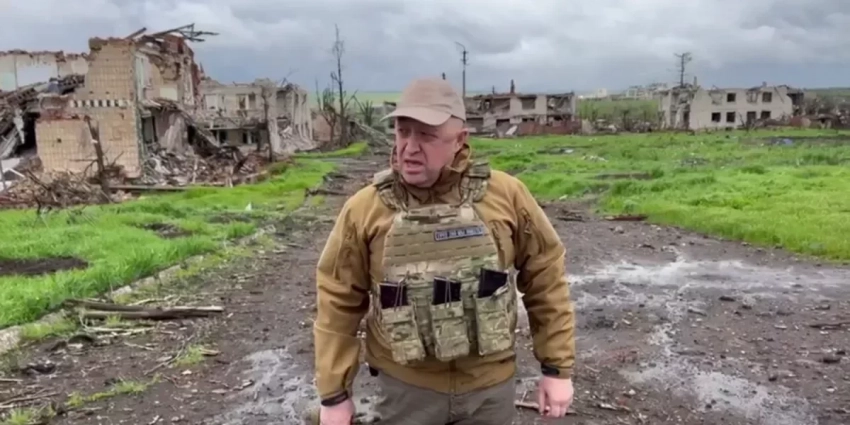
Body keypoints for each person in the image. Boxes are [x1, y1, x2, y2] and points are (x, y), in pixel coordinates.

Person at [312, 77, 576, 425]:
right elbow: (337, 299)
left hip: (489, 390)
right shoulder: (366, 208)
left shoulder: (506, 196)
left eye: (426, 135)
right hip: (406, 392)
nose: (409, 148)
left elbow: (546, 278)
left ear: (460, 140)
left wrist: (557, 368)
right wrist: (334, 395)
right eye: (403, 132)